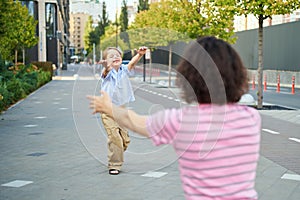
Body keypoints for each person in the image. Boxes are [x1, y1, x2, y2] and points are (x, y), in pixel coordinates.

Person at [87, 36, 261, 199]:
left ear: (189, 78)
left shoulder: (181, 121)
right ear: (238, 74)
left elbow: (133, 121)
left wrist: (107, 107)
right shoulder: (252, 118)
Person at [97, 46, 147, 175]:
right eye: (111, 56)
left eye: (117, 55)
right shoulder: (106, 73)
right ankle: (114, 165)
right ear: (106, 61)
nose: (115, 57)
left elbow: (131, 63)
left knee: (124, 140)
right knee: (115, 138)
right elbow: (106, 71)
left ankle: (118, 149)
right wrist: (107, 66)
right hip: (108, 111)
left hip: (122, 111)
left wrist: (140, 55)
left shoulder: (124, 70)